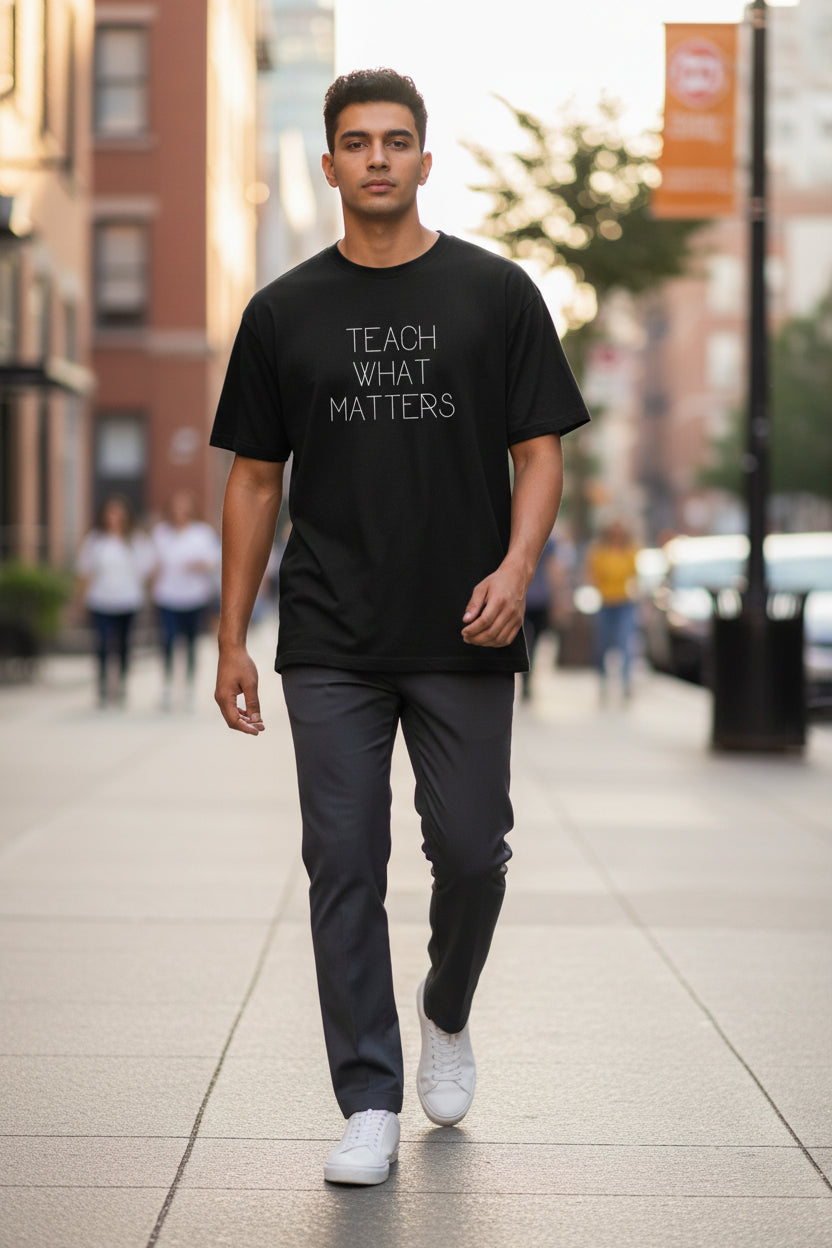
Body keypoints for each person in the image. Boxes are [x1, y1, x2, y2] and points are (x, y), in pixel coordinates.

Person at [210, 68, 590, 1187]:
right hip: (329, 630)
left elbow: (541, 450)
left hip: (466, 623)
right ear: (327, 164)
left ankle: (447, 1003)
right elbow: (251, 482)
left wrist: (518, 567)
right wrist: (234, 634)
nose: (377, 157)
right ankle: (368, 1095)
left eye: (397, 140)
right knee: (343, 859)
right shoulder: (281, 311)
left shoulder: (496, 292)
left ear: (426, 159)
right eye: (356, 142)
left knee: (472, 854)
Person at [76, 495, 153, 707]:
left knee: (123, 645)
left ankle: (120, 684)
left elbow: (148, 570)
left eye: (118, 513)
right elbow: (85, 572)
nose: (114, 517)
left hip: (127, 600)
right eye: (110, 512)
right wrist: (79, 600)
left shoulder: (136, 540)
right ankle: (102, 685)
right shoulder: (95, 540)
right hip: (100, 600)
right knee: (102, 643)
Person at [151, 491, 221, 710]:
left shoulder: (202, 533)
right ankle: (168, 686)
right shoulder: (161, 533)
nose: (180, 513)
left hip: (194, 596)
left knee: (191, 643)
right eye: (176, 508)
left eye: (184, 508)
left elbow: (214, 560)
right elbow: (150, 562)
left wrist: (199, 564)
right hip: (167, 596)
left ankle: (190, 686)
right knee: (168, 641)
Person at [586, 519, 640, 701]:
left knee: (625, 643)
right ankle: (602, 681)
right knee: (603, 644)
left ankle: (626, 683)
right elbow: (592, 574)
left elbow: (635, 575)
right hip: (605, 602)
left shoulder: (630, 551)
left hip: (625, 602)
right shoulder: (599, 551)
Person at [520, 535, 564, 701]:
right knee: (532, 643)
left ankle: (527, 678)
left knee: (528, 642)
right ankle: (527, 678)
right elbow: (554, 569)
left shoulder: (548, 540)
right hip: (531, 597)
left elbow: (553, 569)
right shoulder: (546, 536)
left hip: (530, 597)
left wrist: (557, 597)